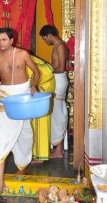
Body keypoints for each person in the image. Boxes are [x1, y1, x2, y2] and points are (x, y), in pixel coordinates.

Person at [0, 27, 40, 201]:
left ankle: (23, 164)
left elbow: (37, 72)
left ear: (12, 40)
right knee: (1, 139)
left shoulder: (23, 54)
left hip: (24, 98)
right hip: (6, 101)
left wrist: (34, 85)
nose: (0, 42)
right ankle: (0, 182)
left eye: (3, 39)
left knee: (25, 136)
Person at [39, 25, 69, 158]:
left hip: (59, 81)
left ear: (50, 35)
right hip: (56, 81)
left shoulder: (60, 46)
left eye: (45, 38)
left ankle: (59, 150)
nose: (45, 41)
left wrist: (45, 71)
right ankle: (58, 148)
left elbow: (61, 68)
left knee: (58, 114)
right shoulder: (57, 46)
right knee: (56, 114)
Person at [27, 55, 55, 163]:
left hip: (42, 90)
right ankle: (35, 154)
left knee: (41, 124)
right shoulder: (24, 58)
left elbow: (36, 75)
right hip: (41, 89)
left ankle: (40, 156)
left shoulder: (22, 59)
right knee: (34, 124)